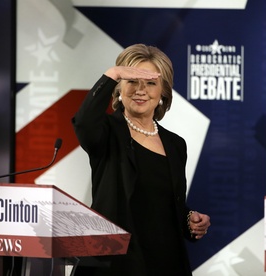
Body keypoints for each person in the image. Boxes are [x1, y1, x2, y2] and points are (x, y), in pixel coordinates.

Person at [72, 43, 210, 276]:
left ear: (163, 92)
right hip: (116, 265)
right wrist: (113, 73)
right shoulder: (106, 132)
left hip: (164, 262)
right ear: (118, 88)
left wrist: (190, 220)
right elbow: (83, 122)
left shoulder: (176, 145)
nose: (140, 89)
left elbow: (166, 204)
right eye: (132, 80)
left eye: (151, 82)